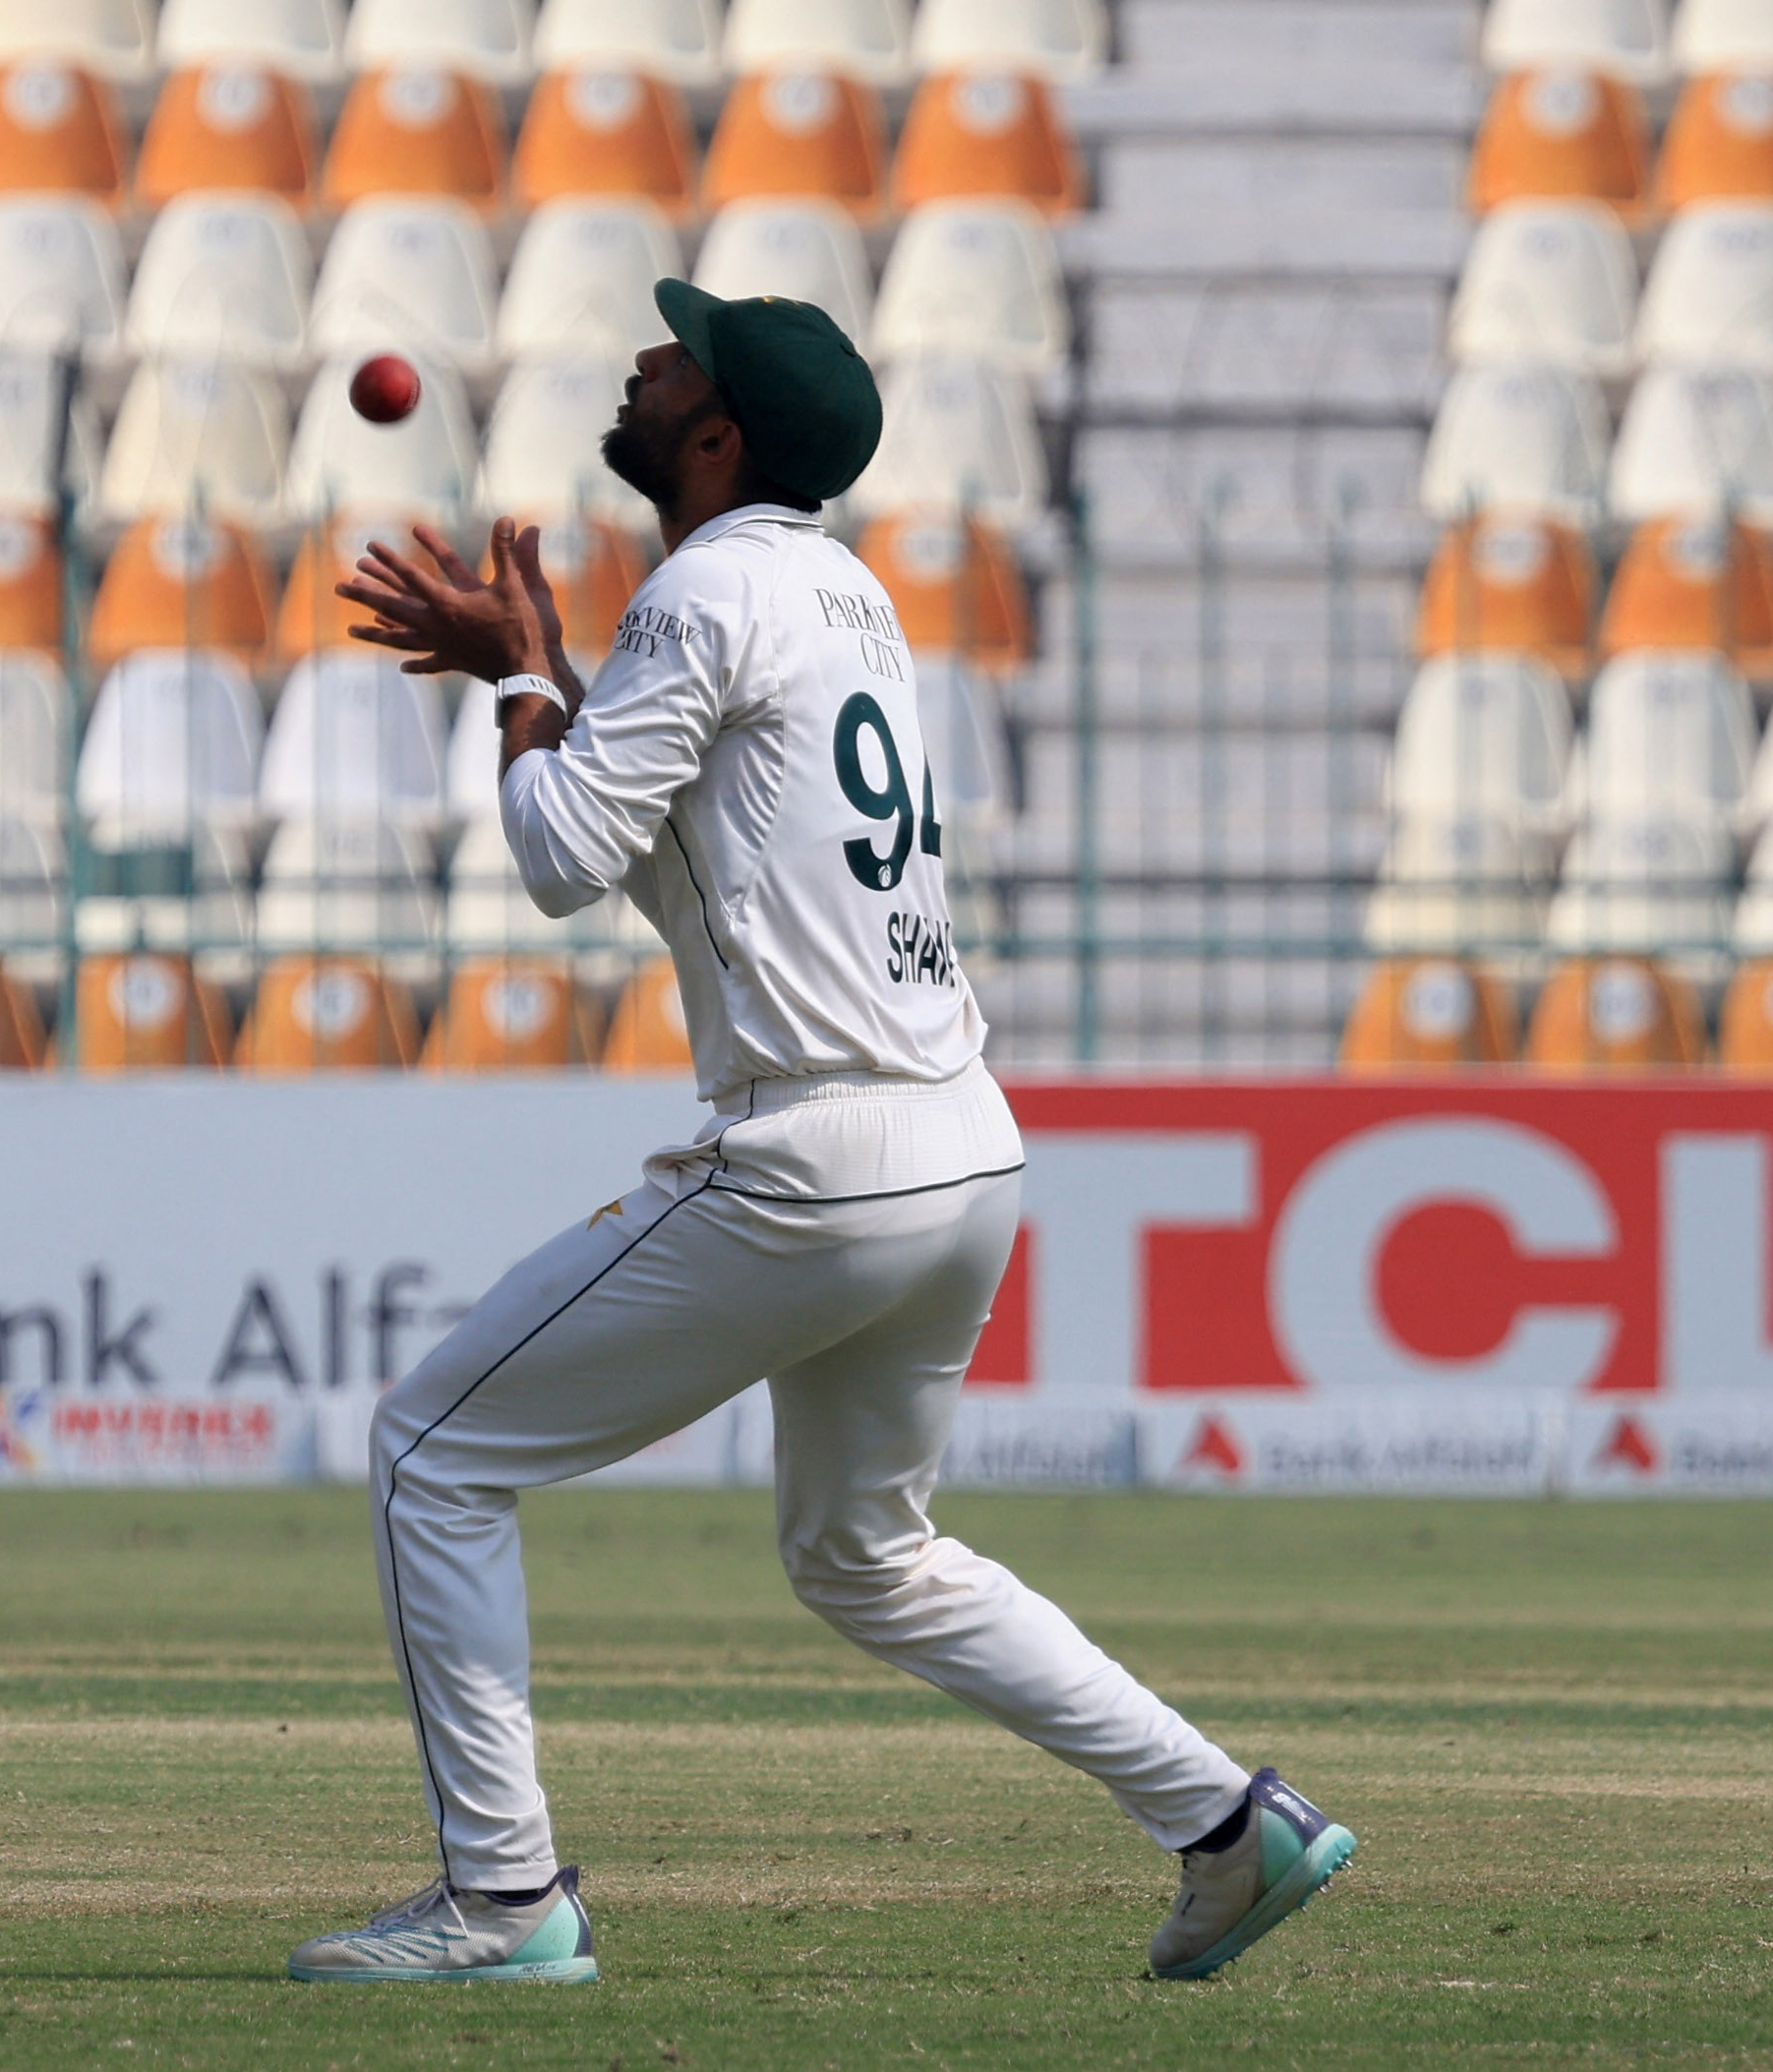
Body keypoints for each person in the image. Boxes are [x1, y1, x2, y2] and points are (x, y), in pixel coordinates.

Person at [283, 282, 1354, 1985]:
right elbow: (680, 860)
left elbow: (563, 858)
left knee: (434, 1452)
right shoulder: (844, 594)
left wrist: (511, 693)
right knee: (869, 1552)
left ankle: (502, 1903)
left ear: (715, 434)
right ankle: (1231, 1824)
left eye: (674, 356)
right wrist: (551, 673)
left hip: (814, 1157)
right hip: (960, 1143)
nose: (644, 362)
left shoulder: (702, 591)